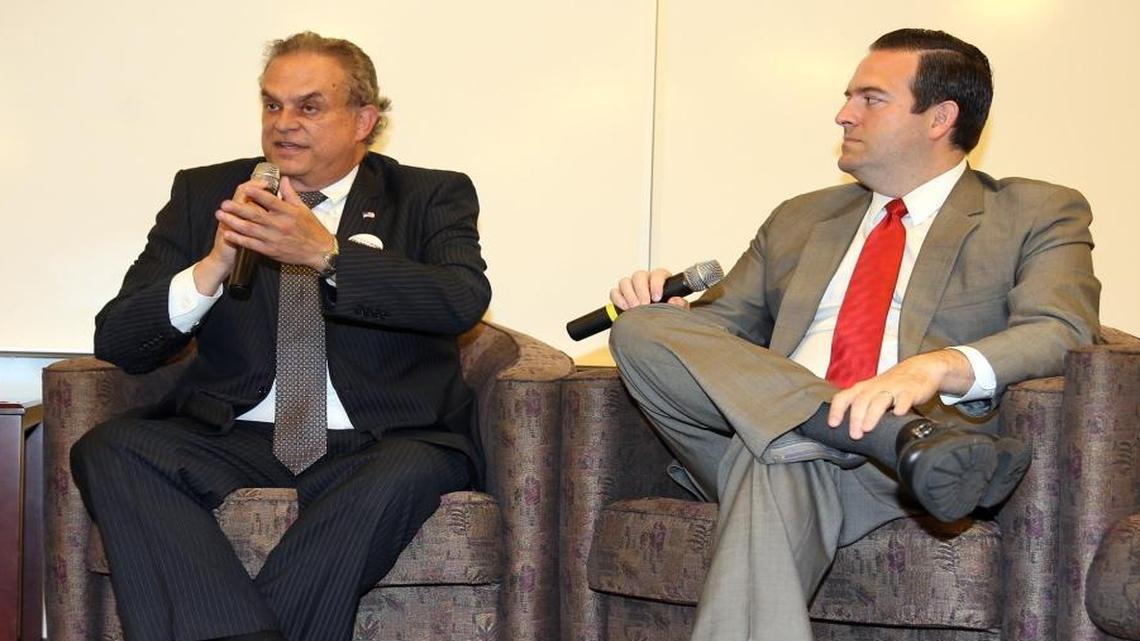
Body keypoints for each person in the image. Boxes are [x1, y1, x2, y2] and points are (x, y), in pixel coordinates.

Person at [607, 28, 1099, 640]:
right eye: (848, 97)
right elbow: (715, 338)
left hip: (913, 469)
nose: (844, 114)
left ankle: (844, 431)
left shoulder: (1033, 211)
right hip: (884, 447)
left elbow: (1061, 329)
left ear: (939, 117)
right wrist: (671, 312)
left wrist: (934, 367)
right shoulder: (800, 217)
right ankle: (870, 432)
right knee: (643, 329)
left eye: (871, 98)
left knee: (781, 458)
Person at [70, 32, 490, 641]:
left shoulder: (428, 194)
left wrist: (330, 256)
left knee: (402, 472)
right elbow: (119, 339)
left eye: (309, 107)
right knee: (111, 447)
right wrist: (211, 266)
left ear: (363, 120)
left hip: (385, 436)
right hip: (237, 433)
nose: (284, 124)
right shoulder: (206, 192)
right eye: (272, 105)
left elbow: (460, 299)